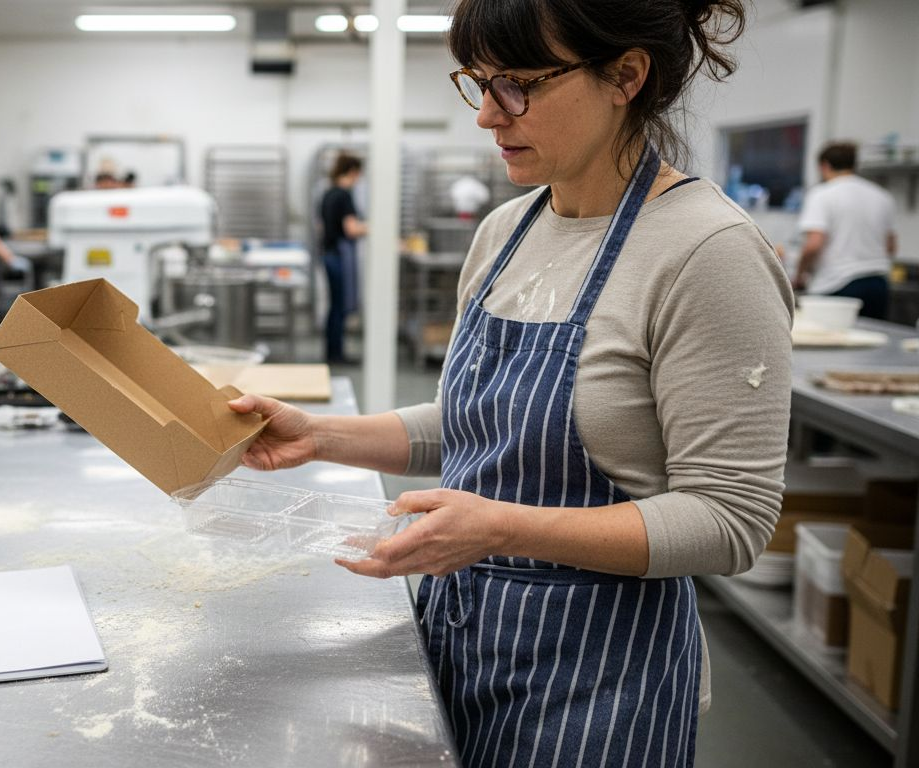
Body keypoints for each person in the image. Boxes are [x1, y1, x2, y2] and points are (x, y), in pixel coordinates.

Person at [228, 1, 791, 766]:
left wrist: (500, 527)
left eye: (519, 85)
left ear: (626, 75)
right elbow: (479, 423)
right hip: (462, 635)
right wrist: (319, 435)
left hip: (600, 678)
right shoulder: (505, 232)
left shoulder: (706, 251)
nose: (488, 116)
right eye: (479, 82)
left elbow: (730, 518)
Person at [795, 141, 897, 319]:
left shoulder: (822, 194)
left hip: (837, 284)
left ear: (824, 165)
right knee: (869, 335)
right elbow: (891, 246)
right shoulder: (882, 196)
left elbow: (813, 244)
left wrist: (799, 275)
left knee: (831, 335)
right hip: (878, 284)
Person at [318, 154, 368, 364]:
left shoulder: (328, 193)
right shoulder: (344, 195)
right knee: (339, 306)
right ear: (353, 172)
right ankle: (336, 355)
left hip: (328, 254)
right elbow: (351, 229)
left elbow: (321, 226)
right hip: (339, 256)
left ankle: (332, 352)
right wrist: (375, 226)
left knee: (334, 306)